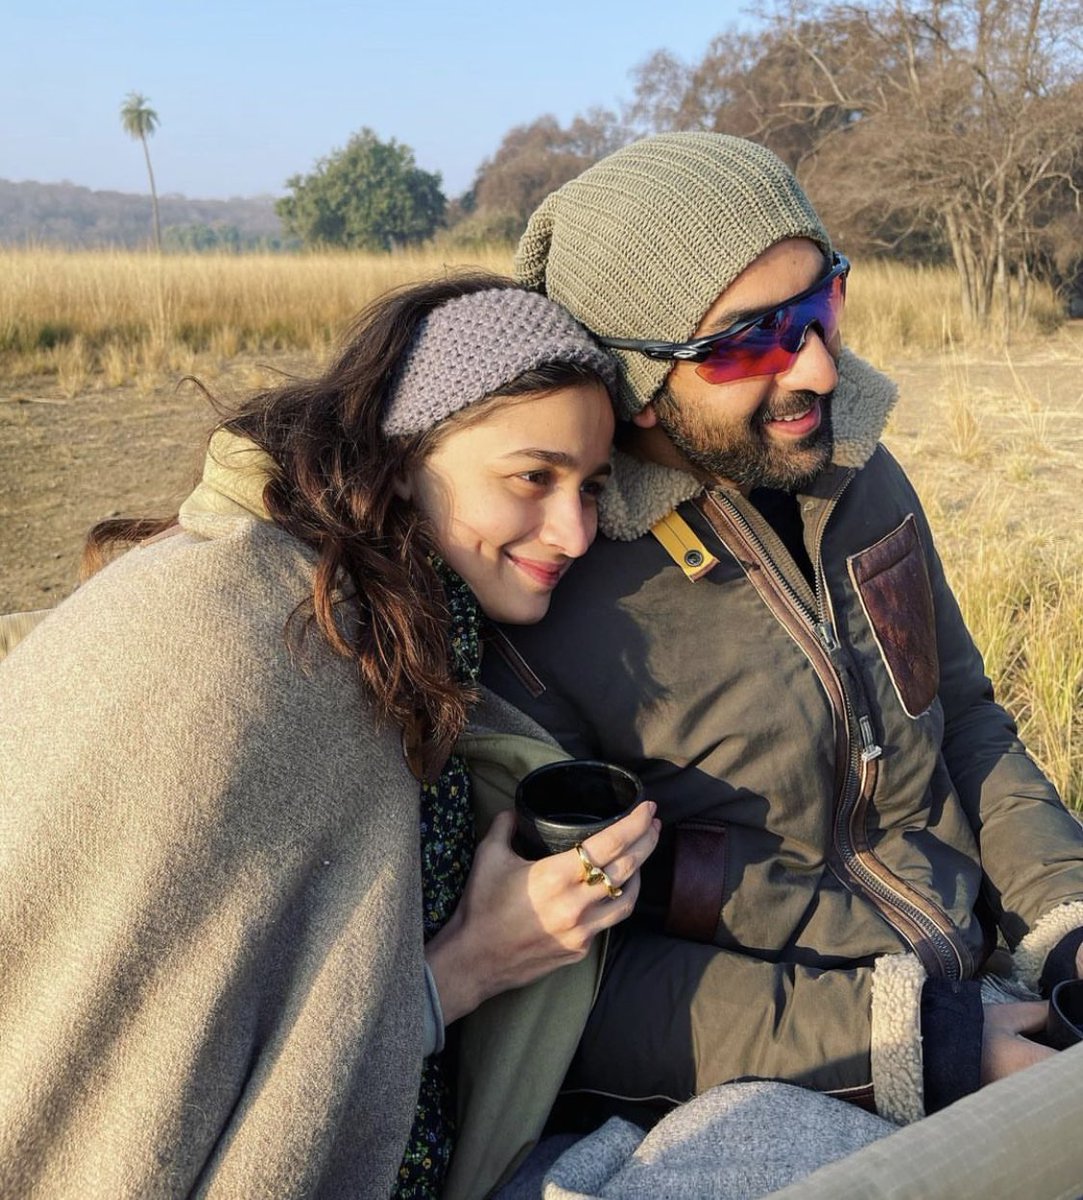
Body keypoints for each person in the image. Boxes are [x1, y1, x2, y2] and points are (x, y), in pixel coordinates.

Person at [0, 274, 661, 1200]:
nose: (575, 530)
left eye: (590, 486)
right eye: (531, 477)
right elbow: (125, 1085)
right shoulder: (249, 643)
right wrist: (475, 961)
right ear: (399, 460)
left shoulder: (396, 627)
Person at [480, 132, 1083, 1129]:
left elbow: (965, 722)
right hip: (769, 1086)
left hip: (981, 984)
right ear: (635, 375)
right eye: (754, 338)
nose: (816, 364)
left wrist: (1065, 919)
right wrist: (923, 1051)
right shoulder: (544, 594)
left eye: (823, 303)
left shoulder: (859, 471)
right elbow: (574, 981)